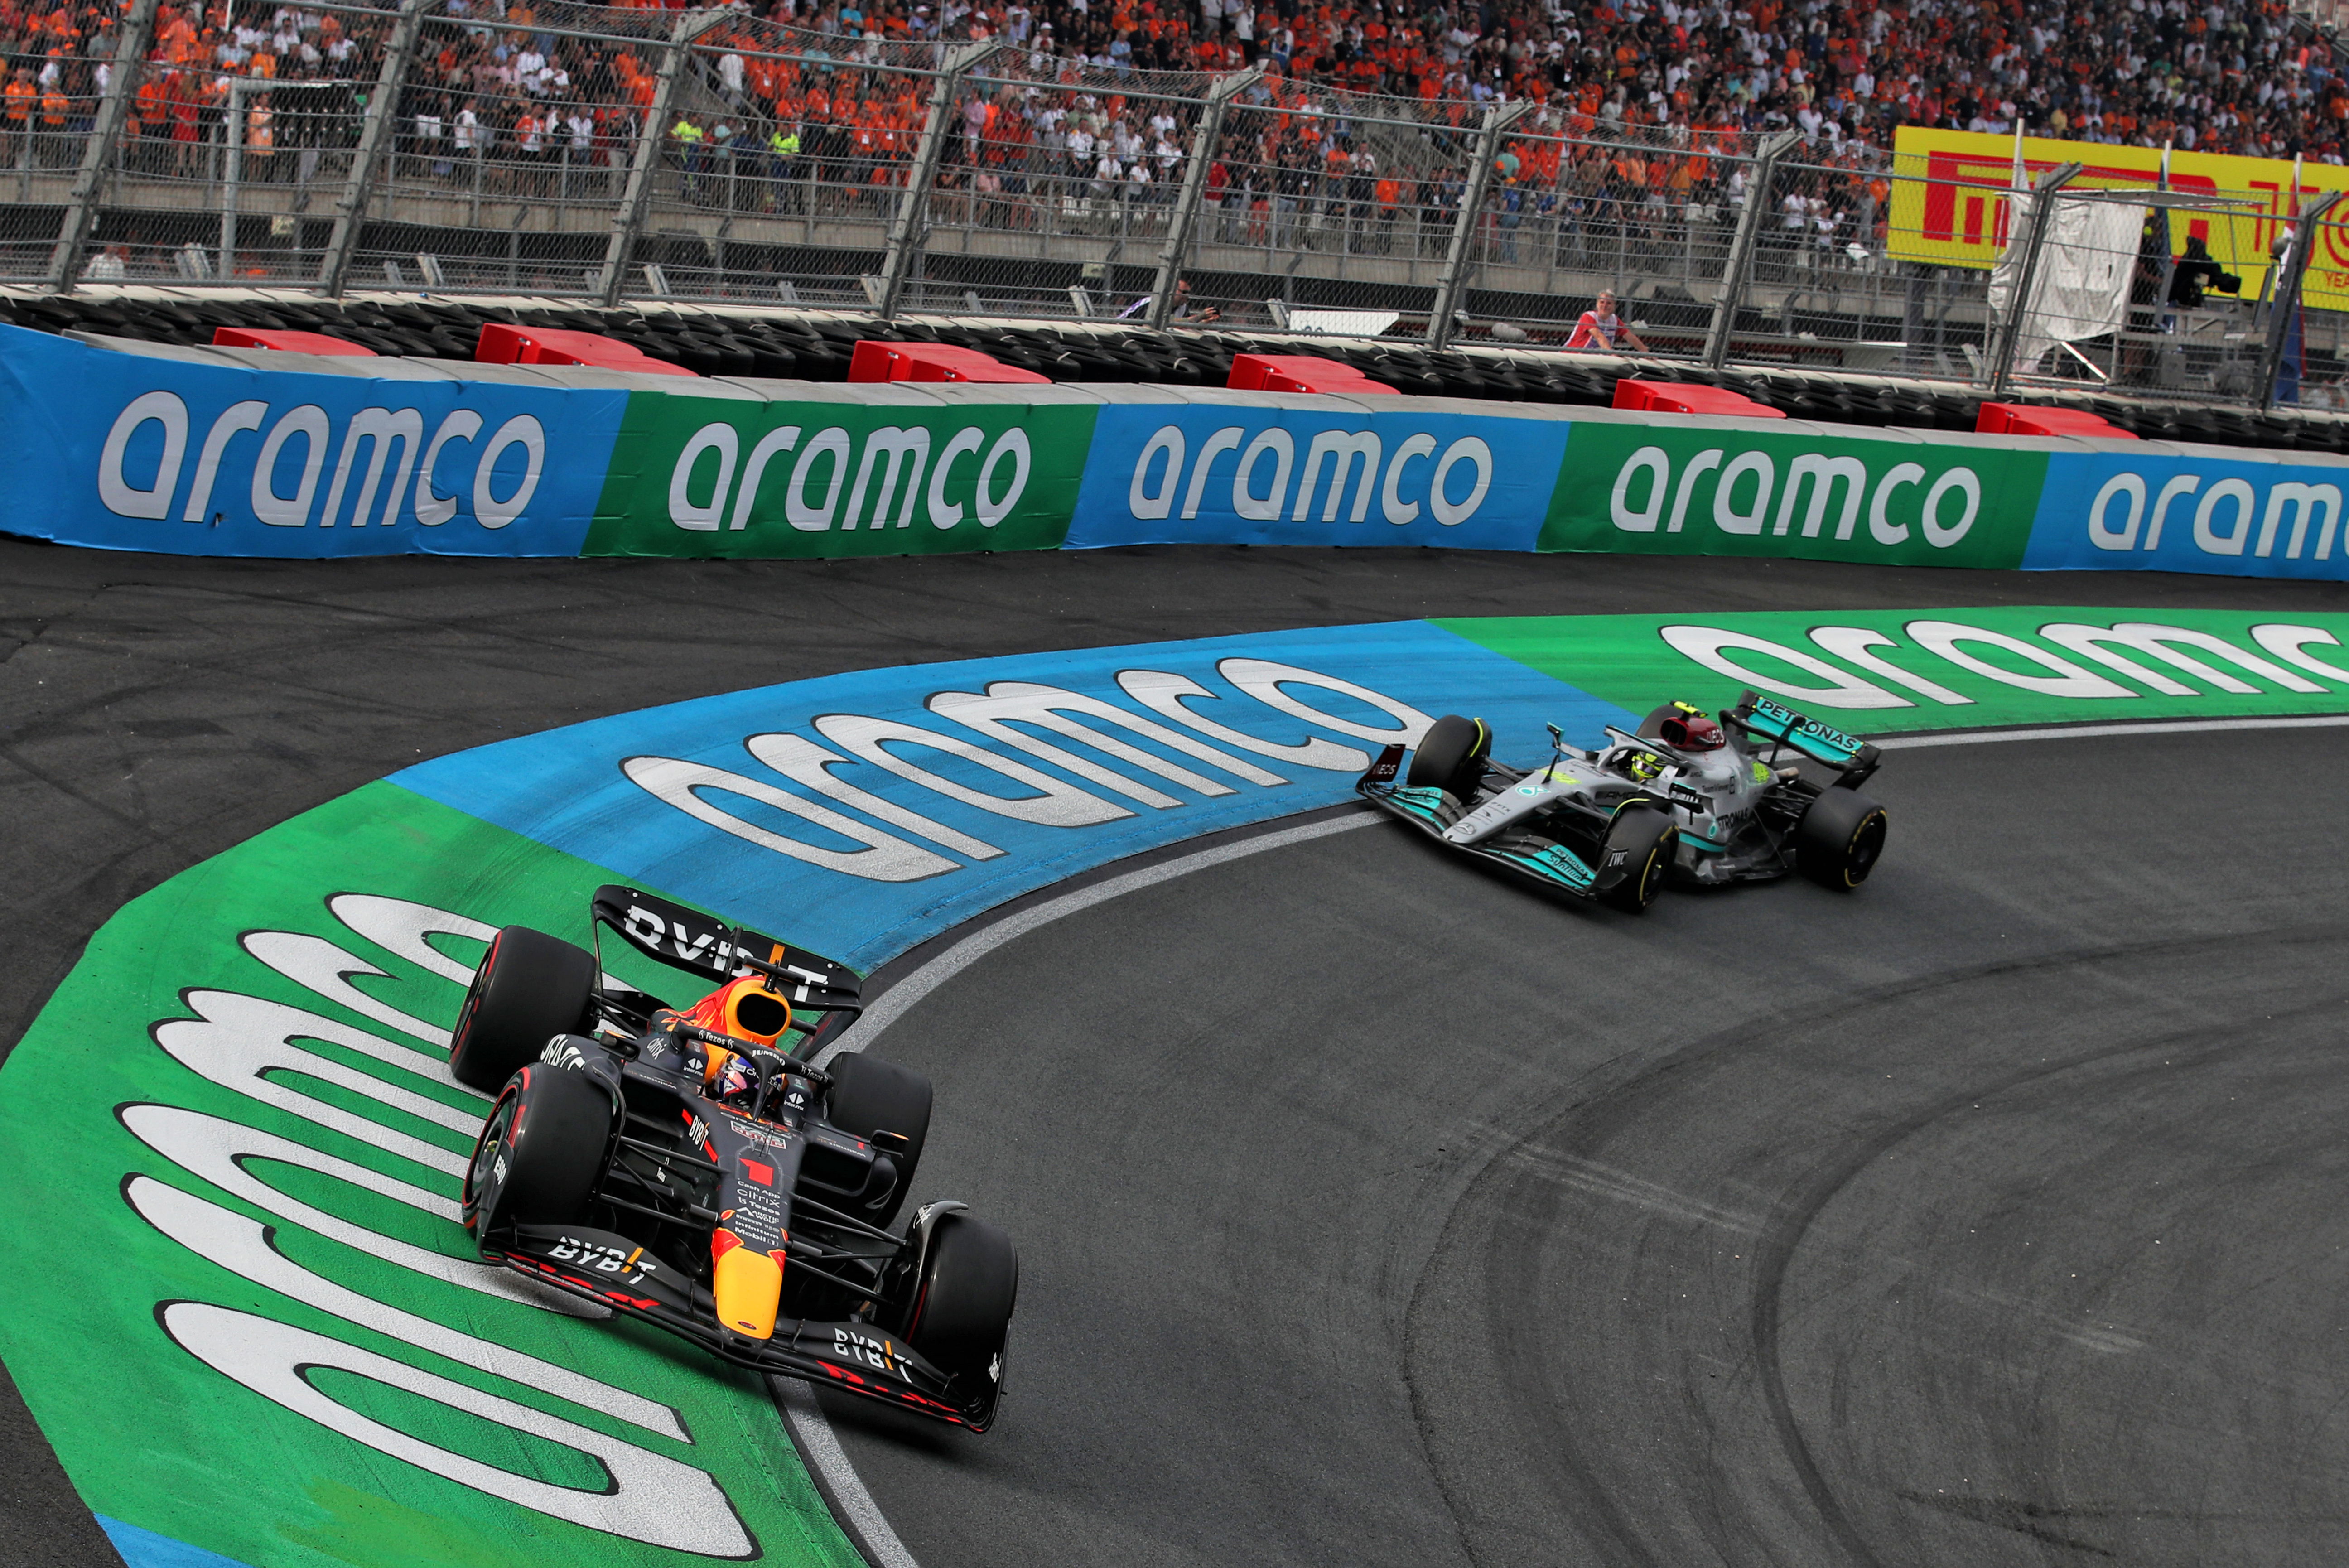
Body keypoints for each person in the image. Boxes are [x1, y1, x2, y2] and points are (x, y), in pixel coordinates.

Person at [1565, 288, 1648, 353]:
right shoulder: (1588, 316)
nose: (1605, 306)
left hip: (1595, 357)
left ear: (1614, 306)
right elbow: (1599, 336)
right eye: (1602, 302)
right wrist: (1611, 354)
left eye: (1609, 303)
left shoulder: (1615, 320)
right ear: (1597, 304)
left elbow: (1630, 337)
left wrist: (1645, 353)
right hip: (1574, 355)